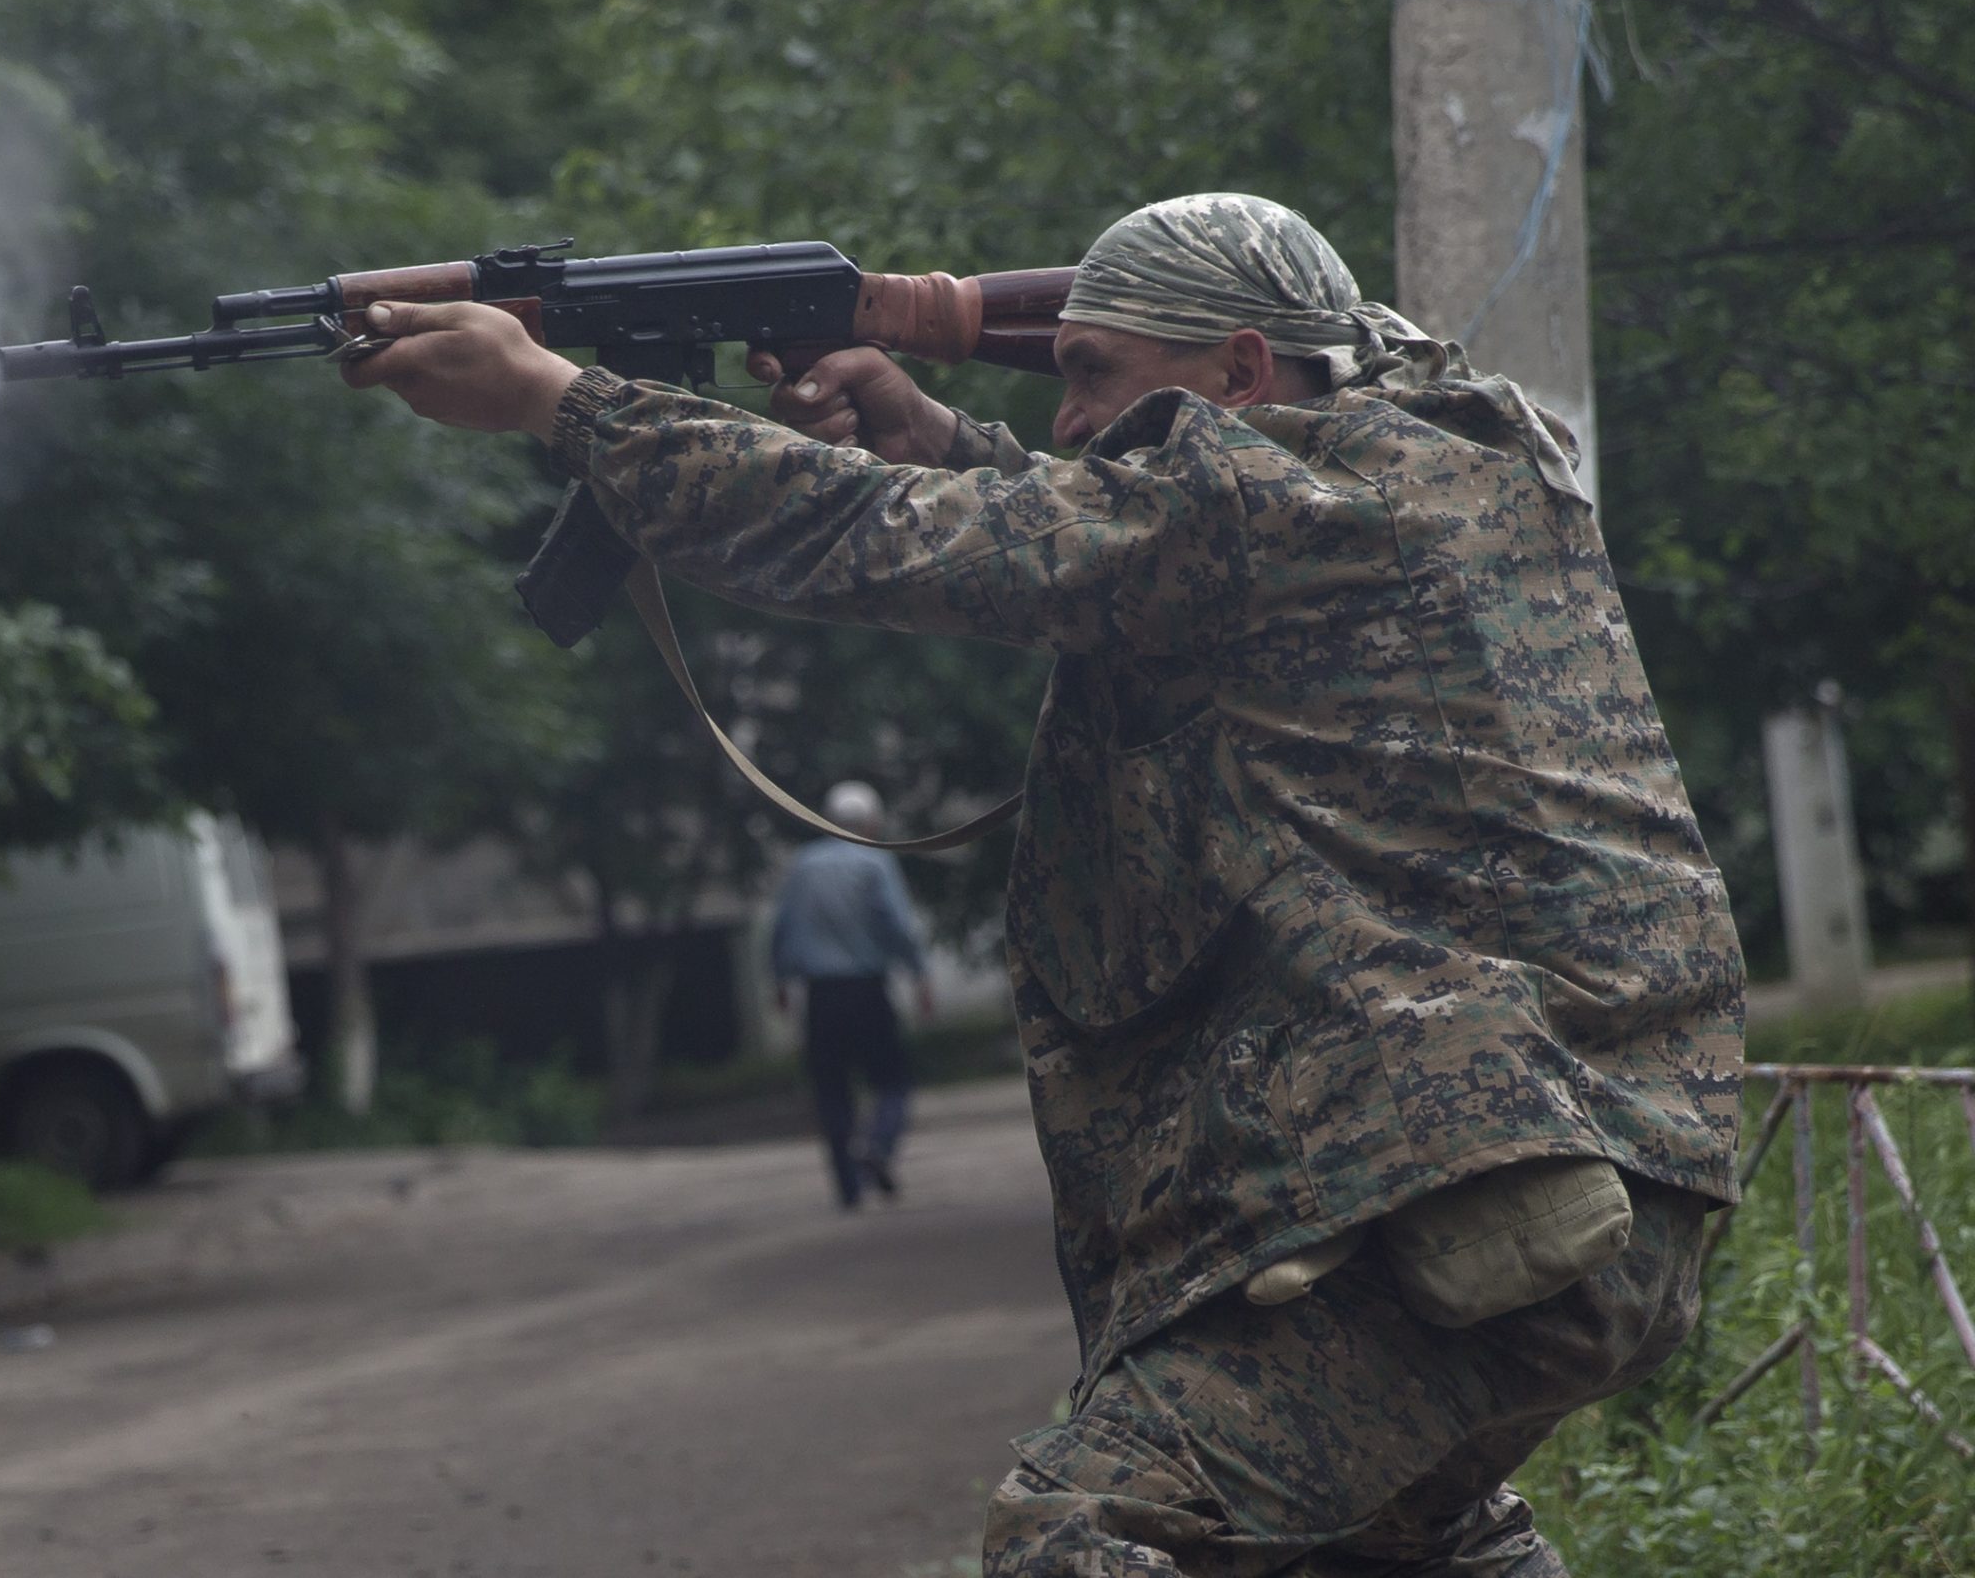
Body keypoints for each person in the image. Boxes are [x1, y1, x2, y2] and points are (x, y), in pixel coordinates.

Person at [343, 193, 1744, 1576]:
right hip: (1555, 1164)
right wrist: (945, 434)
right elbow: (1139, 538)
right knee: (1396, 1535)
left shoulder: (1270, 496)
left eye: (1092, 373)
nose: (1071, 416)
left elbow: (882, 538)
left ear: (1242, 369)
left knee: (1082, 1522)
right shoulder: (1426, 450)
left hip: (1471, 1178)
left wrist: (561, 399)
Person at [769, 779, 939, 1208]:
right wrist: (919, 974)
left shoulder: (803, 865)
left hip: (820, 995)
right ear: (871, 822)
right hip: (867, 990)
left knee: (831, 1090)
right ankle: (878, 1149)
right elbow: (896, 925)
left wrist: (780, 981)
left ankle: (847, 1189)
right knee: (892, 1081)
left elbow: (782, 929)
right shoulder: (874, 863)